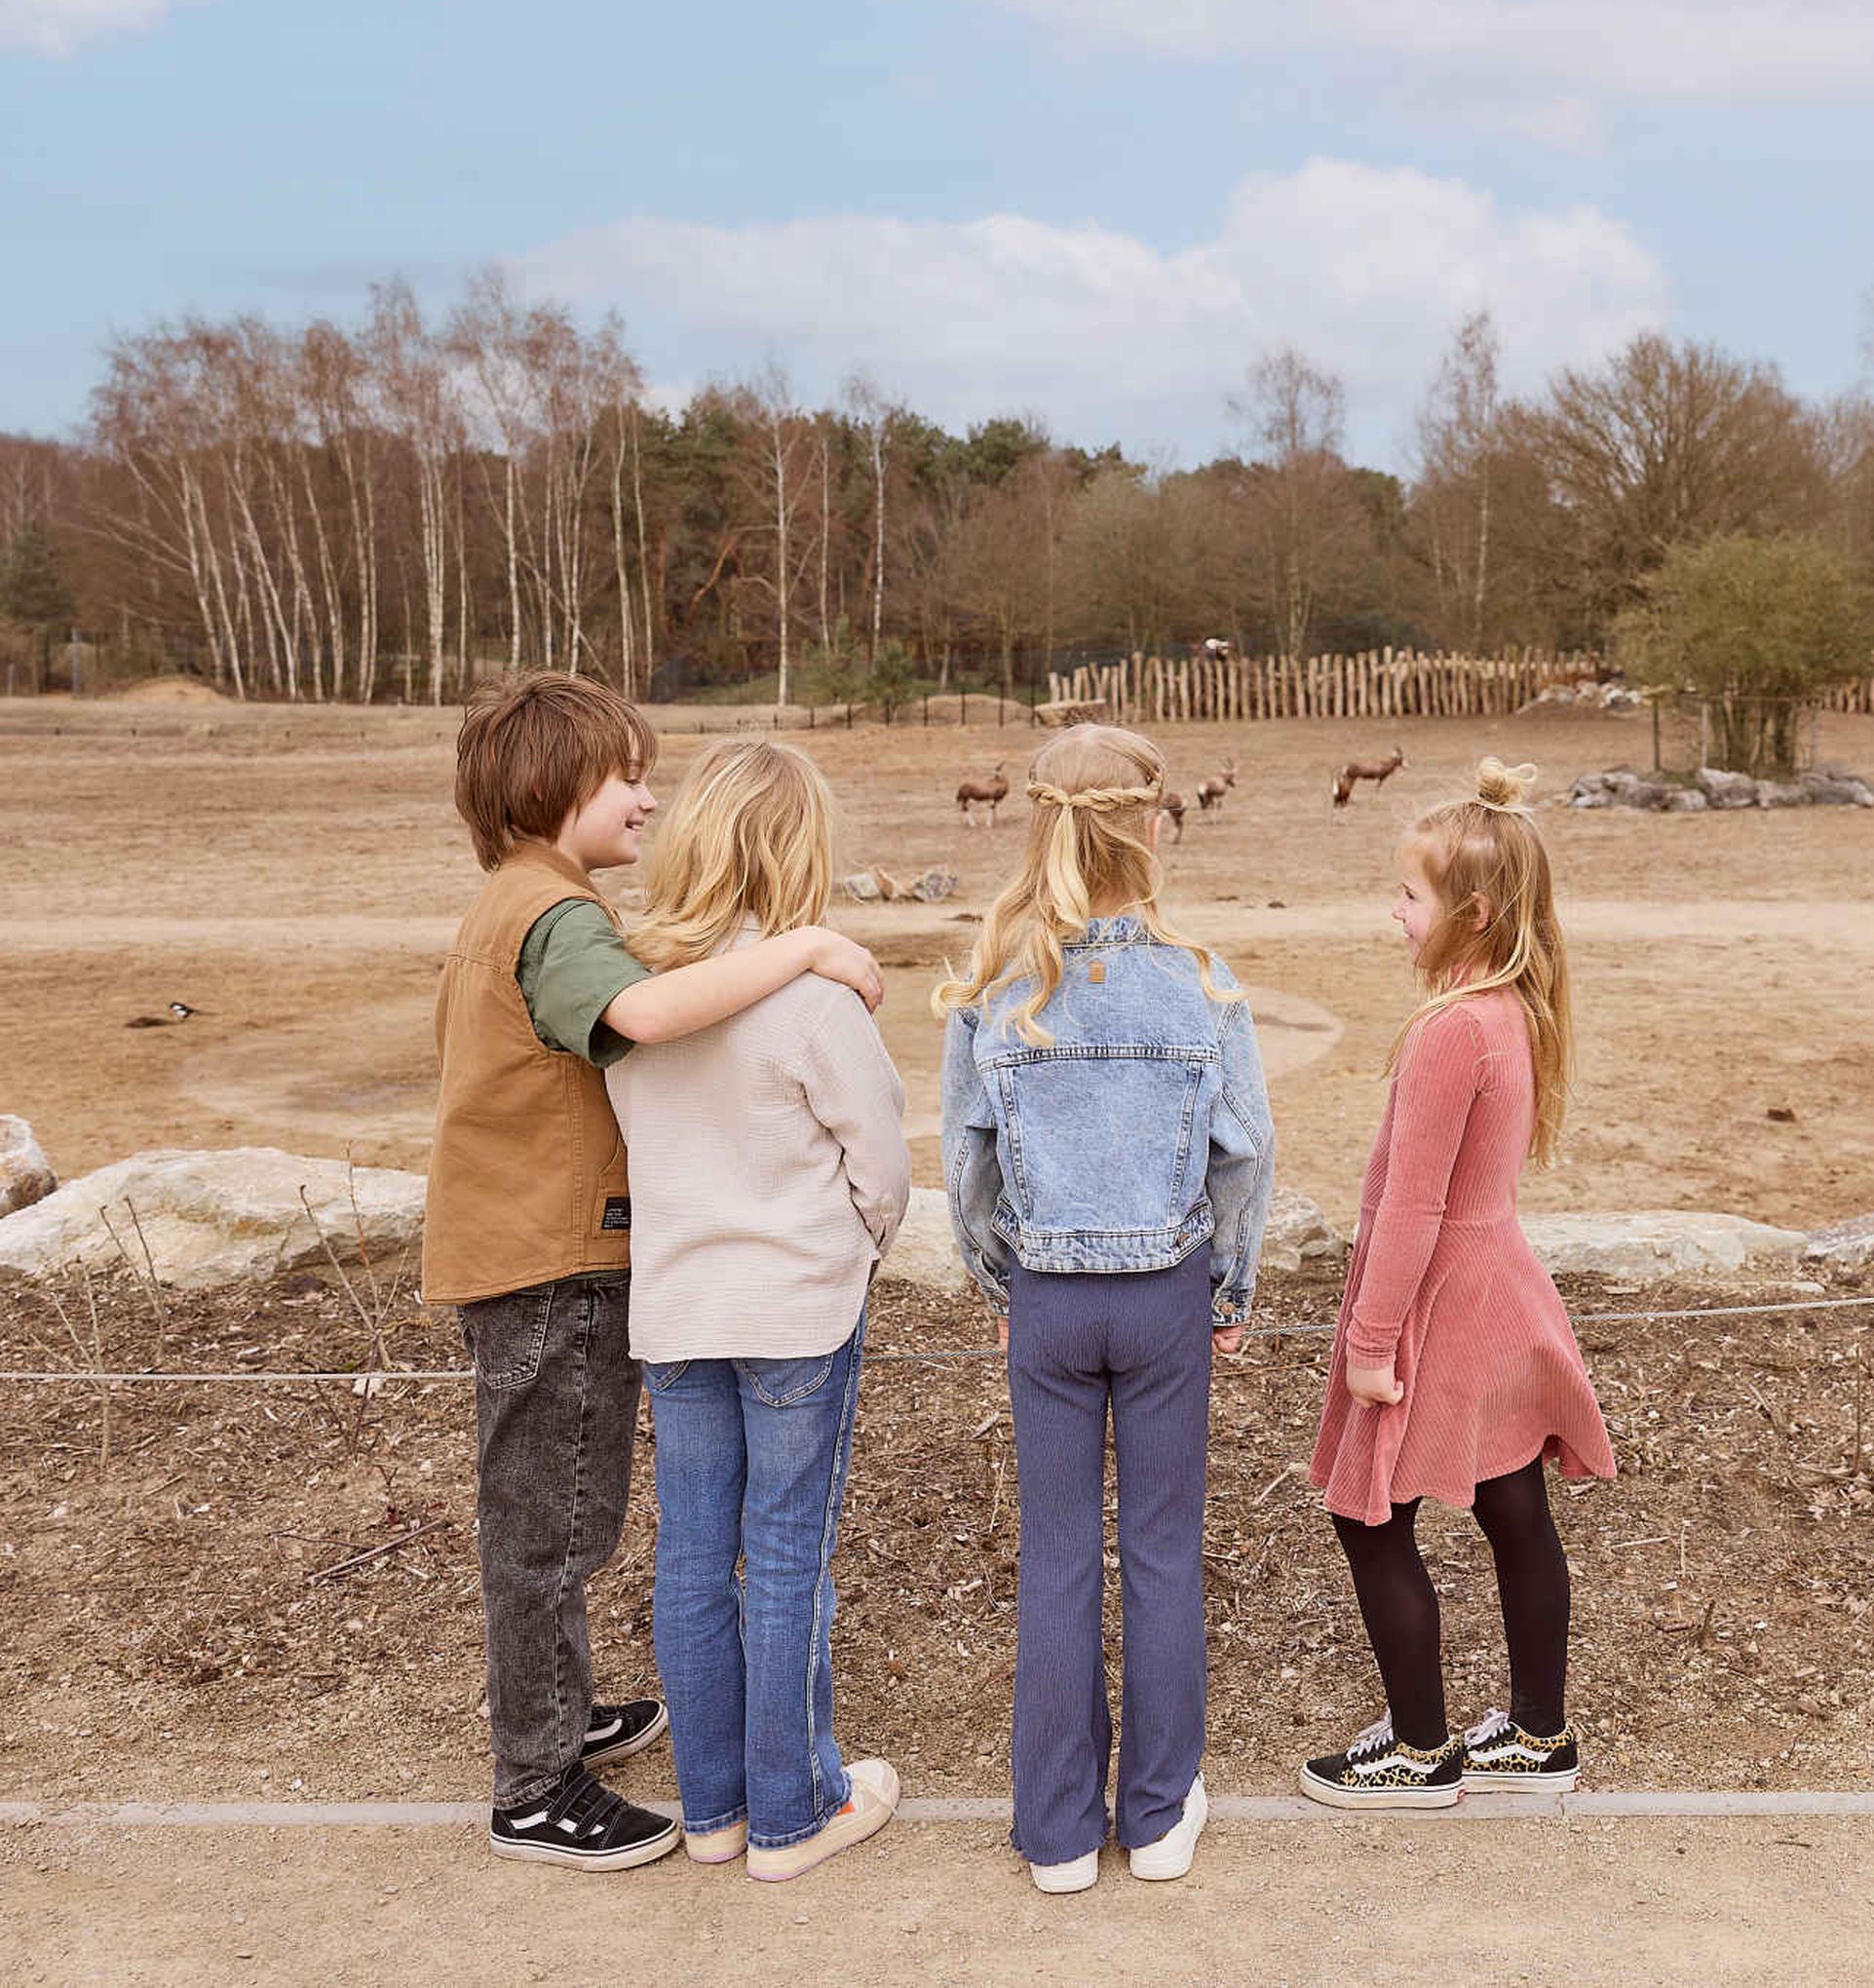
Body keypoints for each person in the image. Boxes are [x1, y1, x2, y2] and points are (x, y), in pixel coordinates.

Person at [420, 672, 883, 1871]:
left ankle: (570, 1717)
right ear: (554, 785)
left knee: (620, 1527)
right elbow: (645, 1017)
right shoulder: (556, 918)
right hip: (551, 1259)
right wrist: (807, 949)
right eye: (627, 775)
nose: (647, 797)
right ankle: (535, 1778)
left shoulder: (525, 901)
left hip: (600, 1269)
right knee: (551, 1530)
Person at [940, 723, 1275, 1894]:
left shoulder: (992, 986)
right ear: (1151, 823)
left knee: (1058, 1556)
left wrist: (1001, 1281)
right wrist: (1228, 1286)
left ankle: (1058, 1832)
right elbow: (1246, 1156)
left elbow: (965, 1164)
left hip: (1048, 1300)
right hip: (1165, 1297)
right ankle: (1160, 1810)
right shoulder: (1200, 984)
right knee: (1164, 1550)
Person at [607, 739, 909, 1882]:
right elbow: (880, 1165)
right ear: (801, 854)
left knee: (691, 1556)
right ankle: (794, 1814)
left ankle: (715, 1811)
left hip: (678, 1306)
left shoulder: (640, 997)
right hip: (794, 1311)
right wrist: (856, 1249)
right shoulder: (814, 1002)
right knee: (784, 1557)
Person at [1301, 758, 1614, 1810]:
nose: (1393, 913)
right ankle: (1537, 1735)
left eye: (1409, 896)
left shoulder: (1448, 1031)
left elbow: (1411, 1210)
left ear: (1470, 913)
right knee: (1511, 1500)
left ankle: (1421, 1750)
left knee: (1370, 1514)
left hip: (1444, 1299)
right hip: (1503, 1293)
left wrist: (1371, 1342)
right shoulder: (1511, 1010)